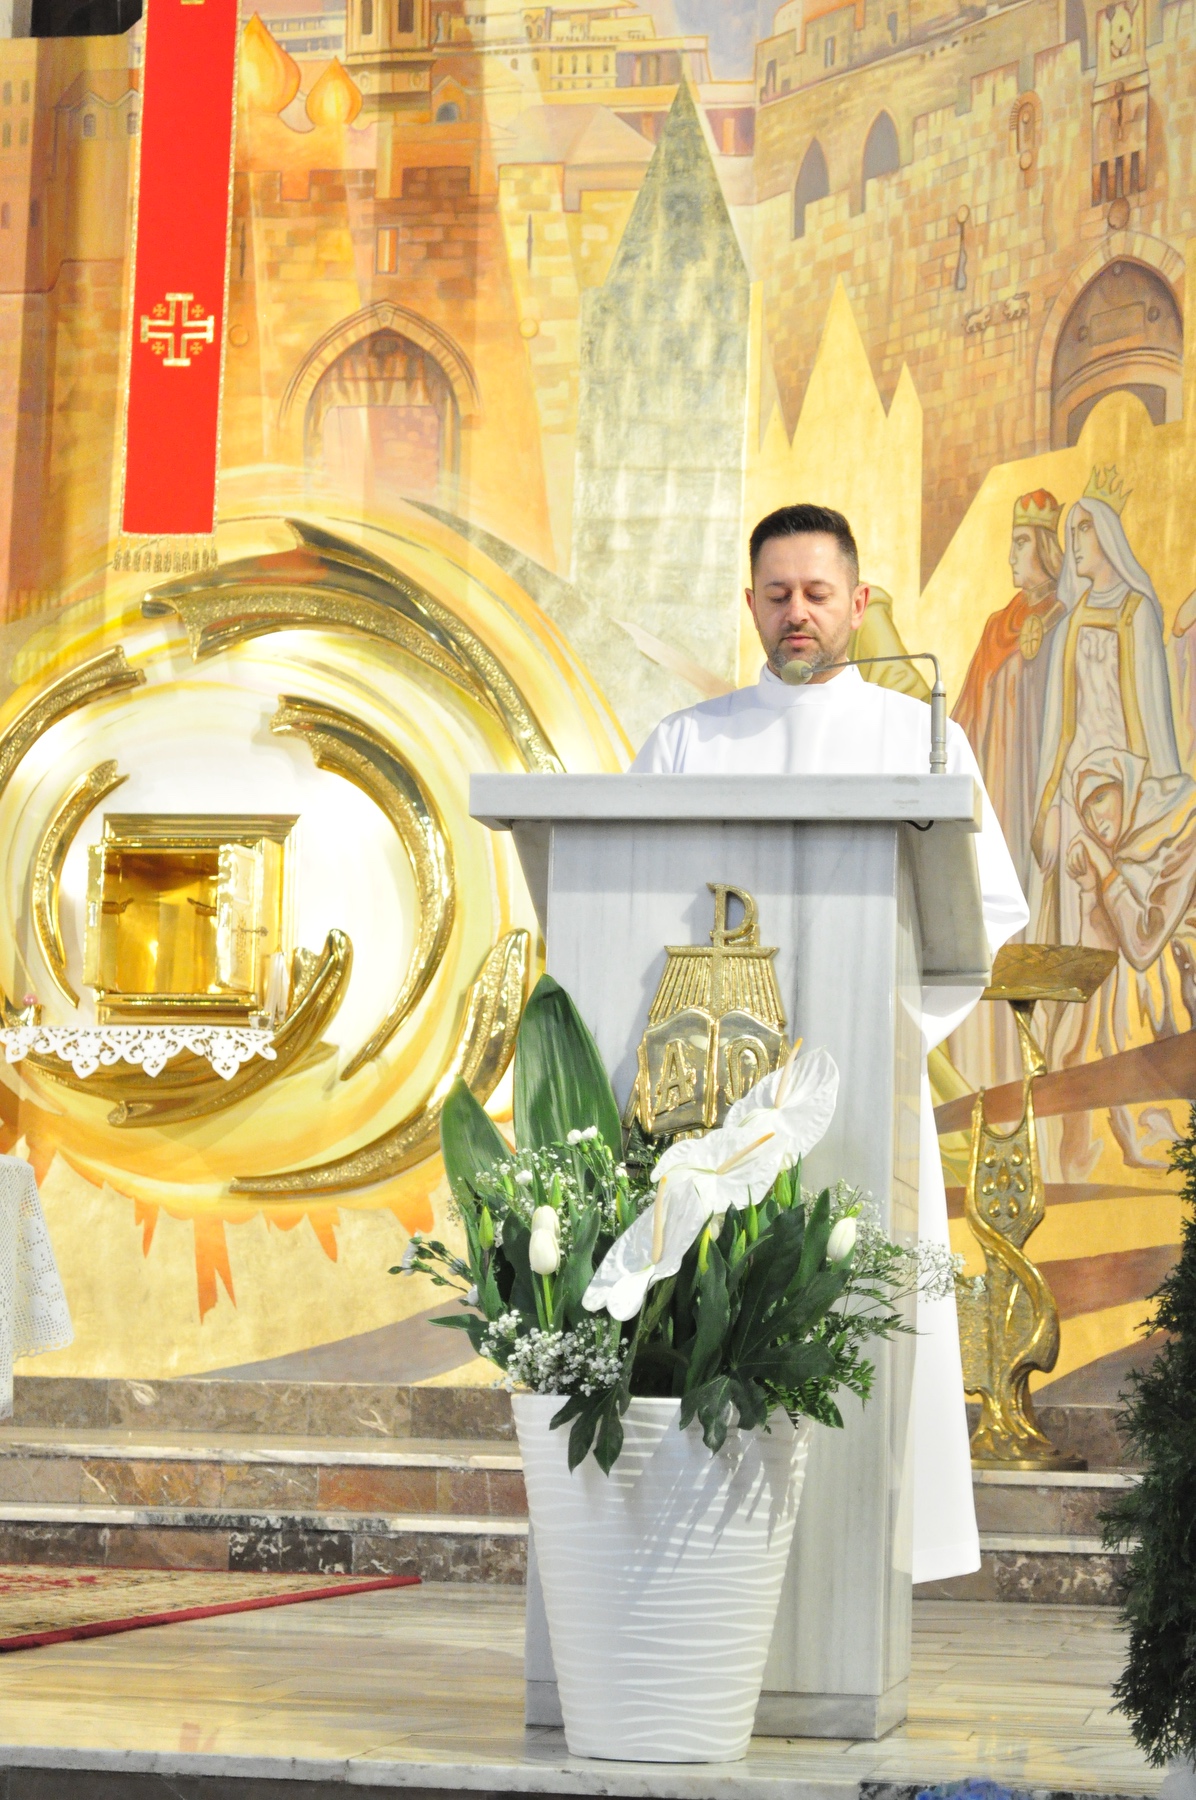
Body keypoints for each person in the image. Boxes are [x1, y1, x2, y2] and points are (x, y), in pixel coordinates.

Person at [632, 502, 1028, 1588]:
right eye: (777, 595)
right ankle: (705, 1550)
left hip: (861, 1079)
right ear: (749, 603)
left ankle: (860, 1561)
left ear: (857, 601)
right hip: (714, 1091)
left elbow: (984, 909)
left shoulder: (918, 738)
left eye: (816, 593)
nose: (796, 612)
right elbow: (635, 899)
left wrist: (891, 1030)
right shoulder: (688, 742)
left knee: (867, 1315)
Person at [1029, 468, 1182, 1169]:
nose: (1076, 543)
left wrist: (1151, 814)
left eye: (1085, 529)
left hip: (1124, 812)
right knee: (1077, 969)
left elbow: (1150, 721)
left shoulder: (1137, 614)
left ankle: (1134, 1115)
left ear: (1109, 537)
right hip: (1077, 812)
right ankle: (1073, 1124)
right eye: (1072, 531)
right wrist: (1048, 808)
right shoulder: (1072, 623)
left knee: (1122, 978)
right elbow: (1061, 727)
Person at [953, 490, 1065, 892]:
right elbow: (966, 714)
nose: (1011, 556)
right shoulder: (997, 625)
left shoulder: (1065, 618)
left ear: (1046, 548)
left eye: (1021, 543)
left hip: (1039, 776)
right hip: (995, 780)